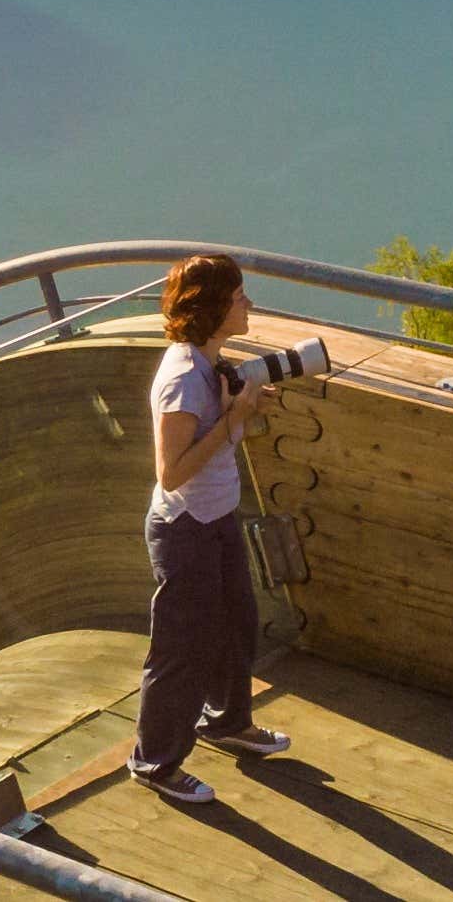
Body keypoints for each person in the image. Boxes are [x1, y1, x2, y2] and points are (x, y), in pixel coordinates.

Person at [130, 254, 290, 803]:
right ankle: (154, 763)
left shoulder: (209, 363)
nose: (249, 304)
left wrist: (240, 411)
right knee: (182, 649)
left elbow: (216, 438)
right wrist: (232, 419)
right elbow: (171, 474)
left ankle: (226, 722)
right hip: (184, 528)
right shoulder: (181, 379)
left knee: (236, 624)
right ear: (214, 307)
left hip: (216, 517)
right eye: (240, 296)